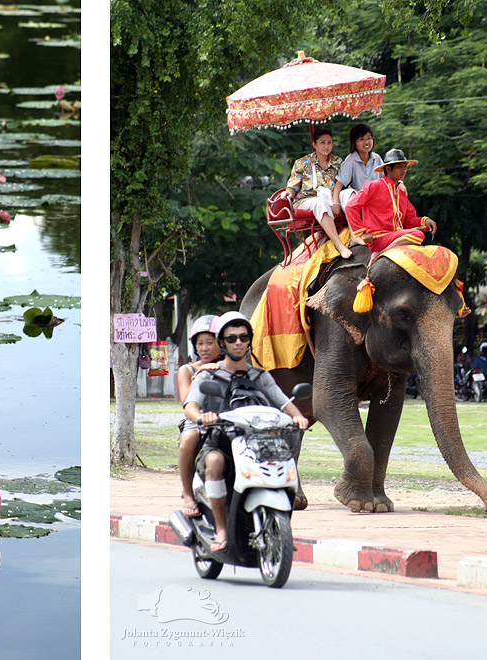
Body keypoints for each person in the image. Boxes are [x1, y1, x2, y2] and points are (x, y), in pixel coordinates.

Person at [183, 311, 309, 553]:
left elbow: (283, 402)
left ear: (250, 340)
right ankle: (221, 530)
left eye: (243, 337)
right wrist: (202, 417)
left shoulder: (259, 376)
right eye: (232, 338)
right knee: (215, 462)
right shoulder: (208, 375)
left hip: (256, 443)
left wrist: (298, 416)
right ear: (222, 343)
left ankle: (277, 526)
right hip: (218, 441)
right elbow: (190, 406)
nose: (238, 342)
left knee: (281, 462)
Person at [277, 127, 356, 259]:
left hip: (332, 198)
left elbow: (344, 182)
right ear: (314, 144)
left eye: (329, 142)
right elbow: (293, 186)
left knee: (349, 193)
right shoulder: (302, 163)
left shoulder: (338, 161)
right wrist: (288, 192)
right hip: (308, 200)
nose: (326, 146)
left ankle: (355, 235)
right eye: (322, 142)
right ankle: (339, 244)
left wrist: (336, 200)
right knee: (319, 203)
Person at [344, 148, 437, 259]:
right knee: (418, 235)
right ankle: (380, 254)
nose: (404, 170)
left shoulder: (401, 192)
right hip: (378, 238)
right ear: (388, 169)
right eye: (399, 167)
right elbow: (350, 207)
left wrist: (425, 221)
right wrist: (362, 233)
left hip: (397, 237)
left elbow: (409, 219)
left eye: (404, 167)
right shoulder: (373, 186)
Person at [176, 314, 222, 517]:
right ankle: (187, 493)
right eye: (200, 344)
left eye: (210, 343)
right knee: (189, 437)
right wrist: (201, 373)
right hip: (197, 420)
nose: (204, 348)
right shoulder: (187, 370)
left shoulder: (228, 366)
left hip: (223, 419)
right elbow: (186, 400)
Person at [331, 123, 383, 220]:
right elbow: (339, 184)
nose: (366, 142)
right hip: (362, 203)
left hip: (378, 201)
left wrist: (400, 183)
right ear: (354, 142)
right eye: (361, 139)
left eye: (369, 138)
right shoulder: (351, 160)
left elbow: (388, 179)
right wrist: (335, 203)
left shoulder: (377, 158)